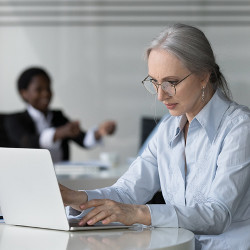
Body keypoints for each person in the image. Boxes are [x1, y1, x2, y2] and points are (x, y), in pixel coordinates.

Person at [60, 24, 250, 250]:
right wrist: (78, 198)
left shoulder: (239, 128)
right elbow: (127, 191)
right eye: (154, 82)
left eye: (172, 82)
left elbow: (218, 214)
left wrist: (139, 213)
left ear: (203, 76)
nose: (161, 95)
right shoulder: (167, 127)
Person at [5, 67, 116, 163]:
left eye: (48, 88)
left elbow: (83, 140)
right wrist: (59, 133)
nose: (46, 93)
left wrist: (99, 132)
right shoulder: (14, 120)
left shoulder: (58, 117)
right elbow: (27, 142)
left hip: (62, 180)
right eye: (39, 89)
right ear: (24, 93)